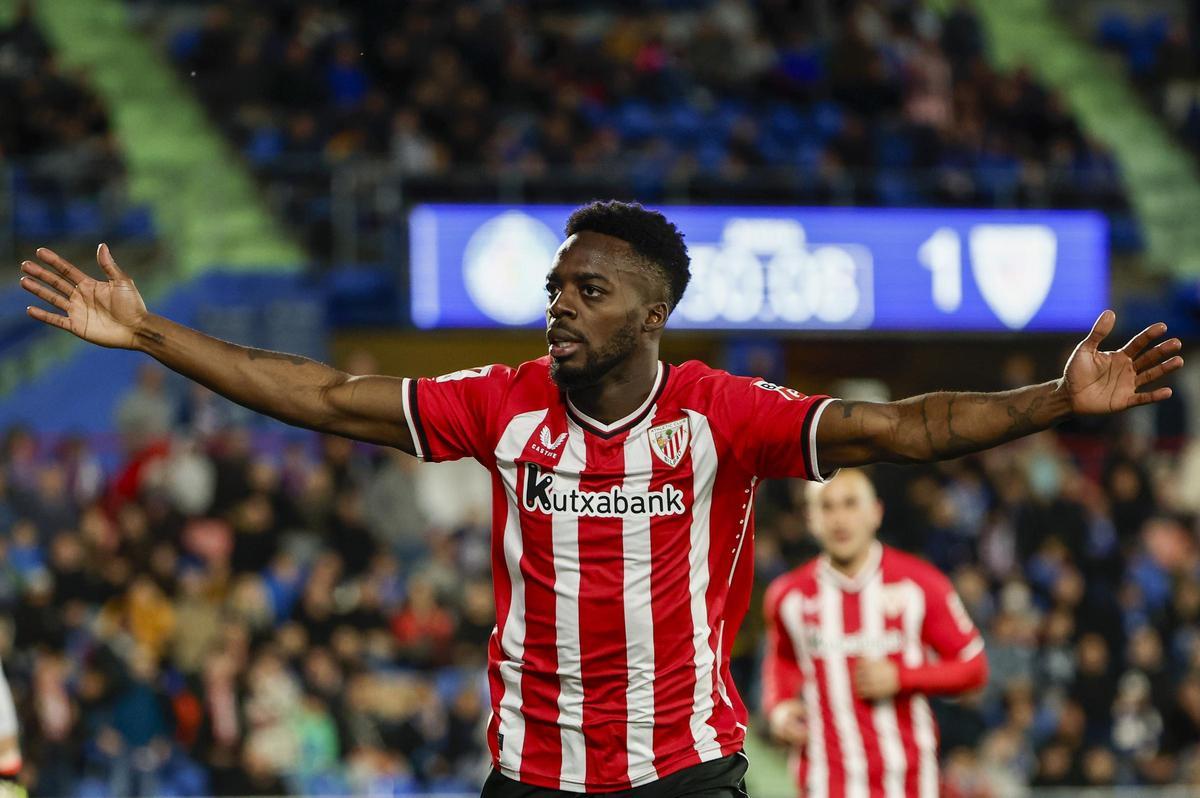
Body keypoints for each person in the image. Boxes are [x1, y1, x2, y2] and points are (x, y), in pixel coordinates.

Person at [18, 201, 1183, 796]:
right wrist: (150, 334)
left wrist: (1052, 401)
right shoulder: (501, 402)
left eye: (588, 288)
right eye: (553, 286)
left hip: (683, 774)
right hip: (531, 776)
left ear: (651, 313)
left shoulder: (724, 415)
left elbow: (911, 429)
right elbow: (322, 394)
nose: (559, 306)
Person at [762, 469, 988, 798]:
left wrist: (902, 677)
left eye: (851, 504)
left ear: (875, 513)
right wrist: (779, 708)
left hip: (909, 779)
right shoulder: (789, 596)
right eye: (827, 506)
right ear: (810, 519)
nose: (840, 519)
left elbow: (973, 667)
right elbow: (782, 660)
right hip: (826, 779)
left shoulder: (920, 584)